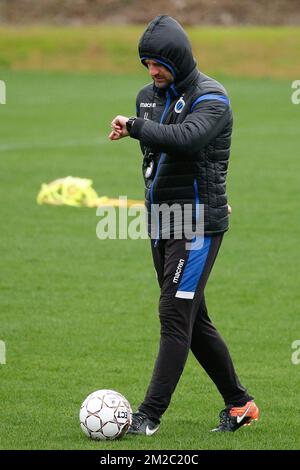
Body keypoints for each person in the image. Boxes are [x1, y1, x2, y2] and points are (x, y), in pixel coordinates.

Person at [109, 15, 259, 434]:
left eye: (158, 63)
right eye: (146, 65)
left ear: (178, 58)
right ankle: (240, 404)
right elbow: (157, 159)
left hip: (197, 225)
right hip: (162, 223)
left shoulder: (212, 97)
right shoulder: (147, 95)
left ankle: (148, 416)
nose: (152, 72)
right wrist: (135, 129)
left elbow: (188, 138)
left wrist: (137, 127)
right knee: (194, 319)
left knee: (174, 315)